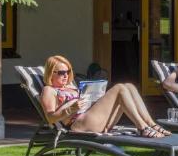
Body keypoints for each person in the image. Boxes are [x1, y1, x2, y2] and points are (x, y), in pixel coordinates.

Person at [39, 55, 170, 138]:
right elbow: (50, 118)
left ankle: (151, 124)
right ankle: (142, 128)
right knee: (119, 88)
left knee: (129, 86)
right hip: (80, 123)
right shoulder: (49, 90)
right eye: (62, 72)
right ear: (51, 73)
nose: (66, 75)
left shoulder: (71, 86)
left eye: (68, 71)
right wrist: (70, 108)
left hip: (94, 118)